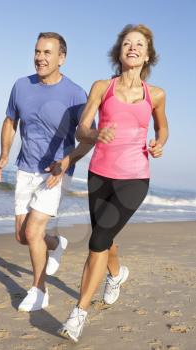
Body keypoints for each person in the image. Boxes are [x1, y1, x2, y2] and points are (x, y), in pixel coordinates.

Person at [59, 24, 169, 342]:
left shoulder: (156, 95)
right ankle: (116, 274)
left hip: (134, 178)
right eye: (126, 43)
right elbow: (81, 128)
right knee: (104, 239)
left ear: (148, 54)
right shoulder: (101, 88)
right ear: (118, 51)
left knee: (97, 241)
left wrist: (159, 143)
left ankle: (78, 314)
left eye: (139, 44)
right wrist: (95, 133)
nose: (132, 47)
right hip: (100, 174)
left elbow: (162, 129)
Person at [0, 32, 93, 312]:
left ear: (61, 58)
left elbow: (87, 138)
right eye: (37, 51)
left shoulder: (75, 94)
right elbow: (9, 120)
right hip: (25, 168)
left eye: (47, 53)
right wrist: (4, 154)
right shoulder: (21, 86)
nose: (40, 57)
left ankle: (39, 290)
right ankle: (57, 243)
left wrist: (66, 162)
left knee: (34, 230)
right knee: (22, 235)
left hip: (56, 172)